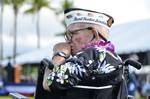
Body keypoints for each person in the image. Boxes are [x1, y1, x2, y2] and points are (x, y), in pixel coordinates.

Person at [35, 8, 125, 99]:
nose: (68, 40)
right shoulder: (115, 58)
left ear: (94, 33)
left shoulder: (93, 54)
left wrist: (59, 54)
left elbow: (49, 83)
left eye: (73, 33)